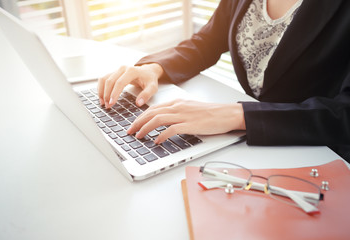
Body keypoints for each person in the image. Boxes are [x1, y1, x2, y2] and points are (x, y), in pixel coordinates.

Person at [97, 0, 350, 161]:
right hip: (256, 150)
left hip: (323, 154)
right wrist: (155, 67)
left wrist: (239, 115)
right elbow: (206, 42)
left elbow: (345, 113)